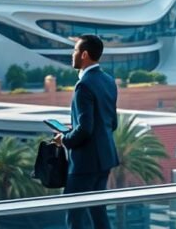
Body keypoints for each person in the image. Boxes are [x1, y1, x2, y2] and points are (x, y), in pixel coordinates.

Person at [53, 34, 119, 229]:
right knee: (99, 213)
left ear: (85, 55)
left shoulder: (84, 85)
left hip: (85, 163)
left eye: (75, 51)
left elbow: (85, 130)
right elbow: (111, 123)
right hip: (104, 159)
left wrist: (64, 139)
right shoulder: (108, 80)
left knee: (75, 216)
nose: (72, 55)